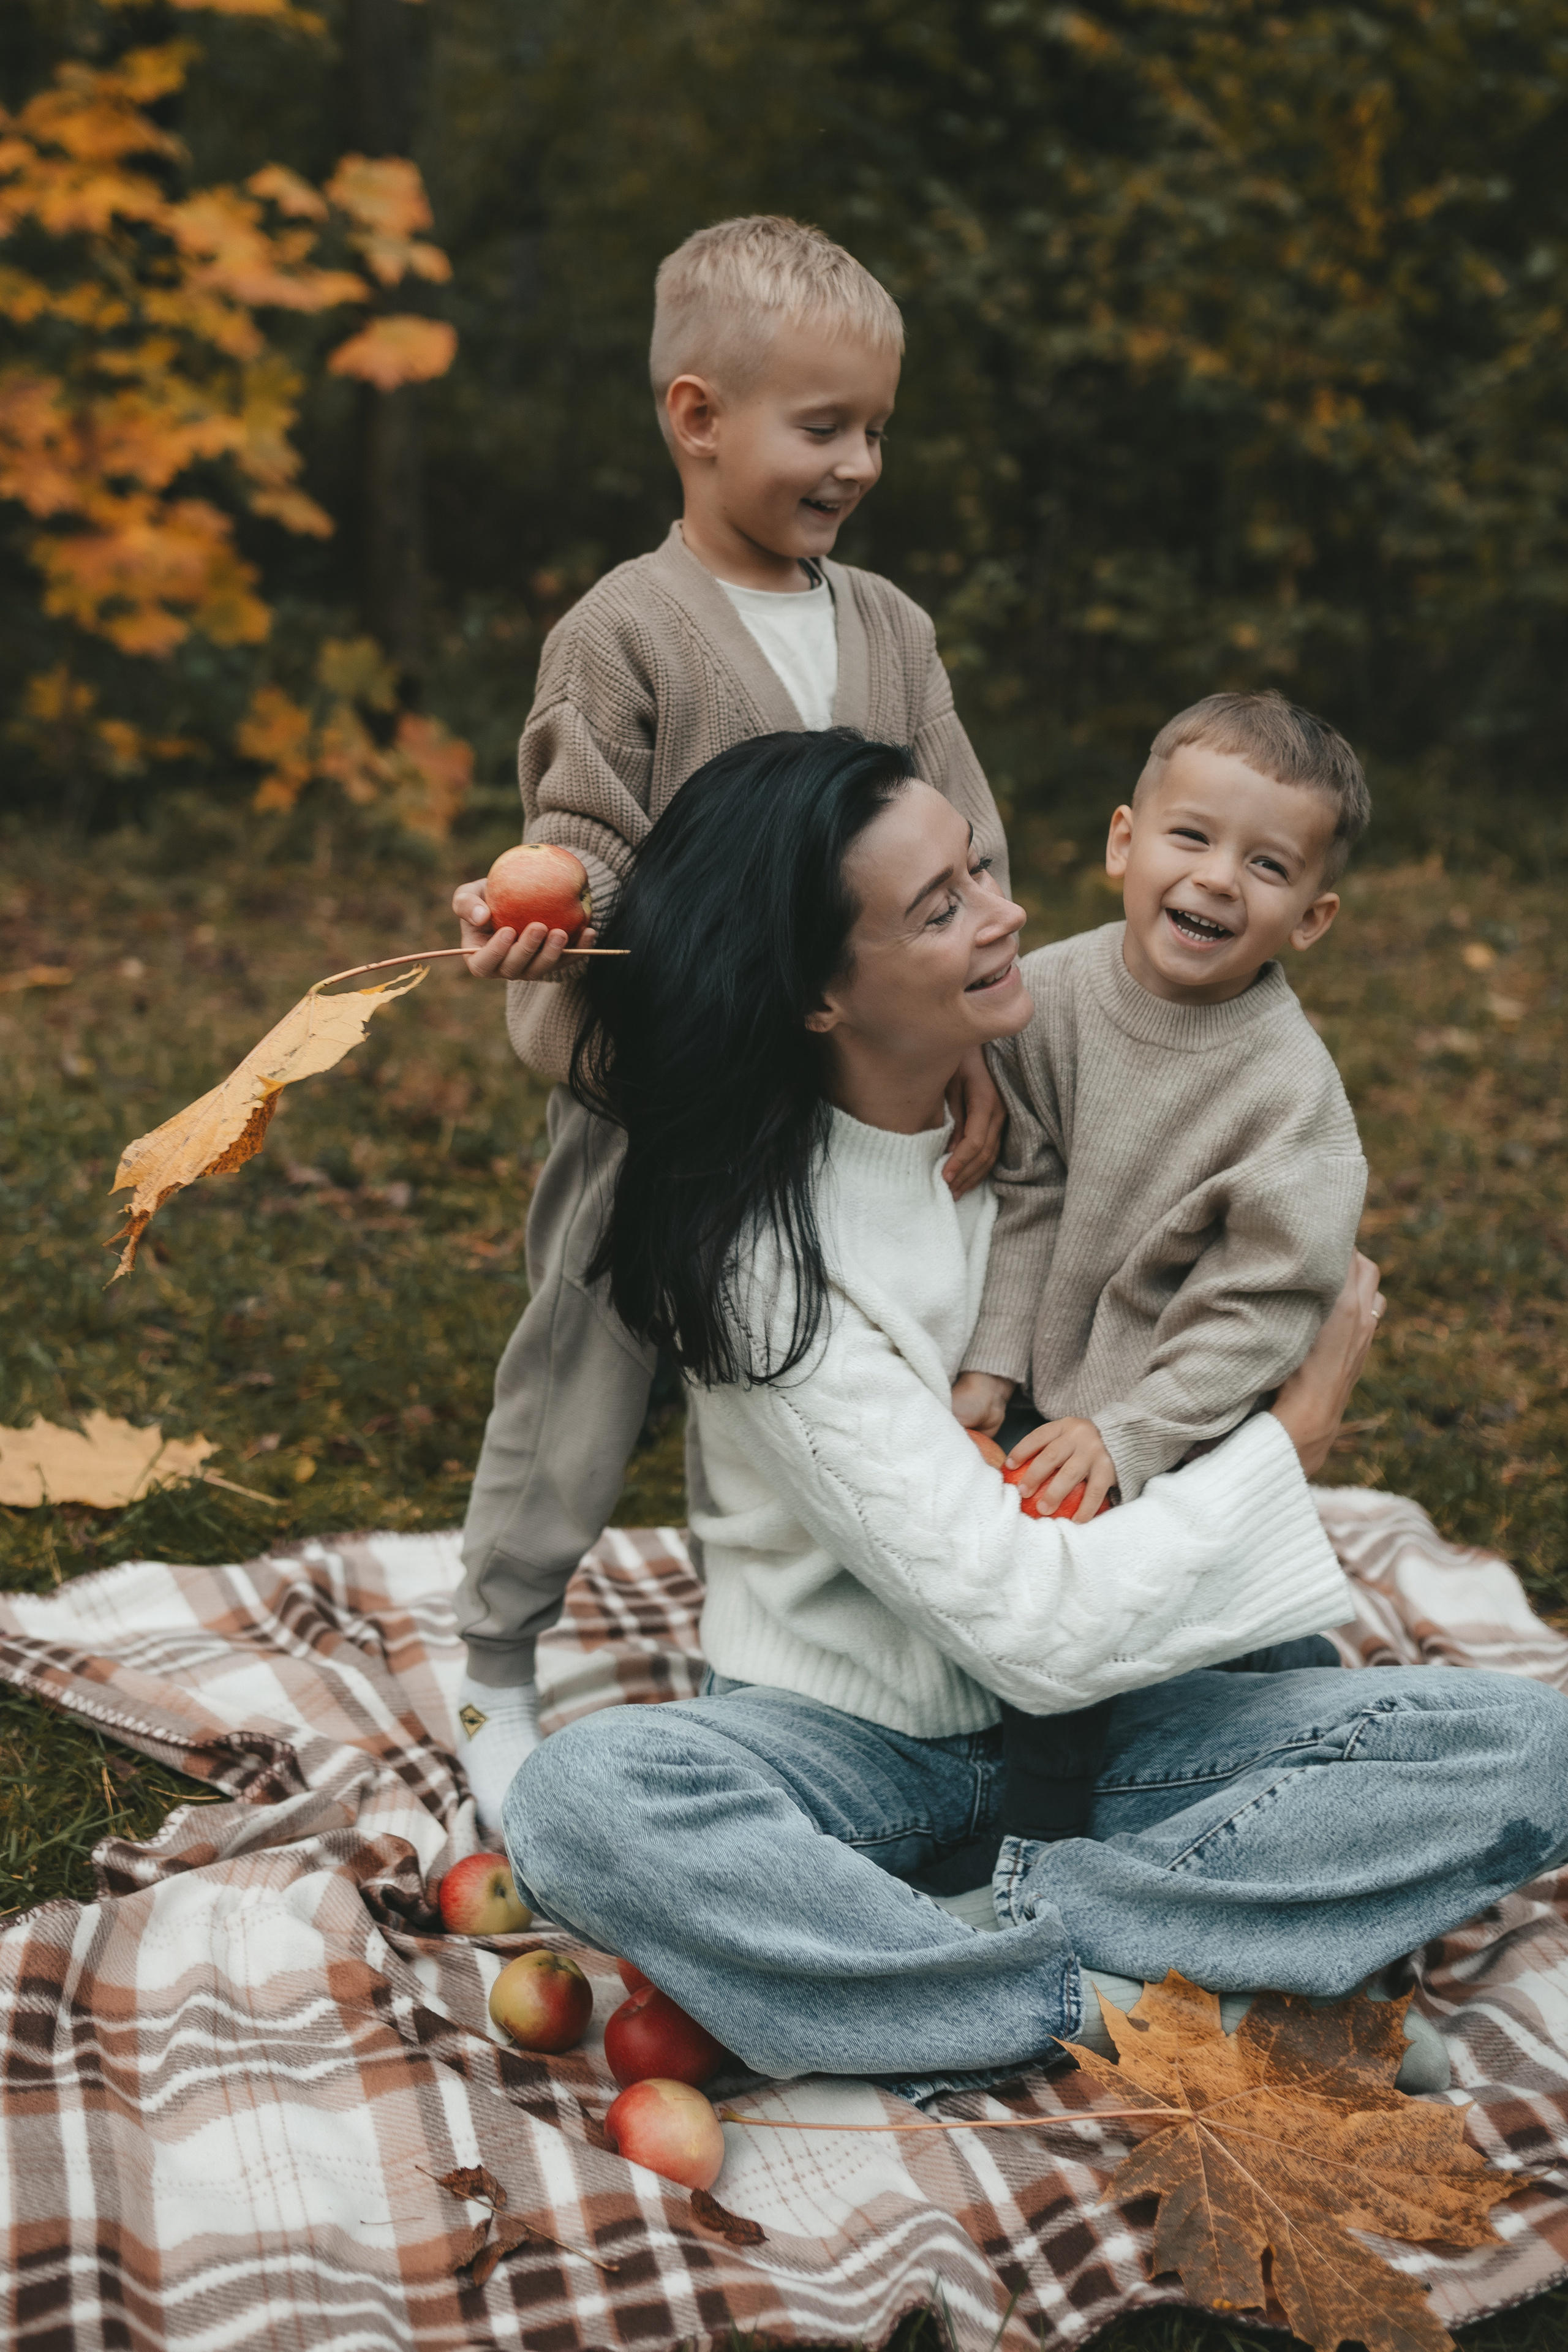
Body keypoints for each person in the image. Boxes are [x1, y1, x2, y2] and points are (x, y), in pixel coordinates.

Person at [500, 729, 1568, 2094]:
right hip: (857, 1744)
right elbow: (1029, 1635)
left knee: (1528, 1745)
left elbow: (1227, 1254)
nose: (1005, 913)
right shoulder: (764, 1262)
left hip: (1121, 1715)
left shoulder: (1011, 1103)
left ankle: (977, 1932)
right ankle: (1099, 1999)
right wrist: (1287, 1446)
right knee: (584, 1801)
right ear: (821, 996)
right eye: (939, 908)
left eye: (976, 873)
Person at [448, 216, 1010, 1830]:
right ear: (699, 416)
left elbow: (964, 835)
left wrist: (977, 1045)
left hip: (853, 1101)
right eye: (822, 427)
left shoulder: (889, 633)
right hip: (670, 1095)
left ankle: (779, 1669)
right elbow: (592, 836)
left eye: (876, 430)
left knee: (822, 1383)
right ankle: (494, 1654)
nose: (858, 464)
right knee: (591, 1367)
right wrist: (542, 891)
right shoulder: (628, 631)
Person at [952, 690, 1371, 1847]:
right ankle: (1238, 1694)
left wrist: (1136, 1433)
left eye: (1269, 864)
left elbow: (1266, 1300)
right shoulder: (1050, 1001)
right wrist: (993, 1356)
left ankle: (1039, 1857)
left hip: (1188, 1406)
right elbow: (1024, 1184)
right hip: (1052, 1384)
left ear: (1312, 915)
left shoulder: (1288, 1093)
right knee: (1033, 1612)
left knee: (1107, 1638)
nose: (1220, 878)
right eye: (1193, 838)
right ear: (1125, 842)